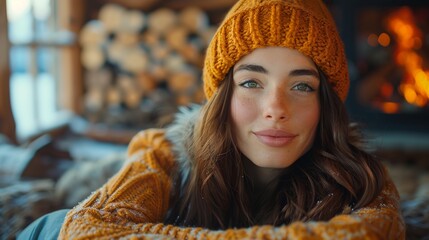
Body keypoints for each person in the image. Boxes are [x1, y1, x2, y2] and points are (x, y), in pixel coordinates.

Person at [20, 0, 405, 239]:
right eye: (251, 82)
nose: (275, 108)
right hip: (96, 171)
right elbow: (89, 231)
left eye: (302, 87)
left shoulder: (359, 177)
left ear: (326, 105)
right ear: (223, 96)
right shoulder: (163, 153)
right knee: (54, 219)